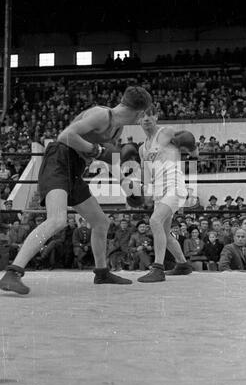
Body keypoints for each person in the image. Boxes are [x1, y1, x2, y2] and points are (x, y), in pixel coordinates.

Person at [0, 86, 152, 294]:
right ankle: (12, 272)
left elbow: (110, 160)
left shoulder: (117, 129)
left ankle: (102, 272)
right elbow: (66, 136)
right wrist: (96, 150)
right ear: (139, 112)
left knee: (101, 222)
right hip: (59, 160)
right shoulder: (101, 115)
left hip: (75, 168)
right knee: (57, 219)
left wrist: (127, 187)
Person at [136, 104, 198, 282]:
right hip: (158, 190)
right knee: (164, 230)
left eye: (150, 115)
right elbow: (146, 172)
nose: (146, 118)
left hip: (174, 186)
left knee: (155, 221)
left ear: (156, 117)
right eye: (142, 116)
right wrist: (145, 191)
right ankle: (182, 265)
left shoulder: (166, 132)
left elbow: (189, 145)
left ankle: (158, 268)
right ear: (138, 120)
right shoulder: (142, 148)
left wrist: (193, 150)